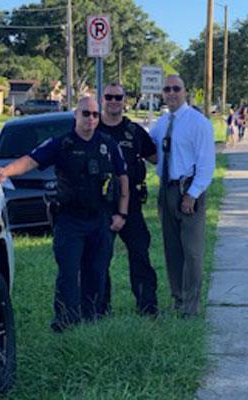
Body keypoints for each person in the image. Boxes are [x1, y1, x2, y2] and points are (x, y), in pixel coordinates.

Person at [0, 97, 129, 331]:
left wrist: (121, 214)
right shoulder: (61, 144)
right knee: (68, 272)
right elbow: (31, 161)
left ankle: (93, 318)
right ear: (76, 115)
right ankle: (65, 321)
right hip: (70, 220)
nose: (91, 119)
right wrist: (5, 171)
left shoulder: (108, 144)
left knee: (96, 271)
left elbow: (122, 178)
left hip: (100, 219)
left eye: (95, 115)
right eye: (86, 113)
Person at [150, 75, 215, 317]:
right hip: (166, 190)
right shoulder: (161, 123)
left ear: (185, 91)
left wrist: (192, 194)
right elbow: (151, 150)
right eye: (167, 89)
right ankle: (178, 299)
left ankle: (191, 307)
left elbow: (207, 163)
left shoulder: (198, 123)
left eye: (176, 88)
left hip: (188, 191)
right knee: (172, 250)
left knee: (192, 252)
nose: (171, 93)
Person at [98, 82, 159, 316]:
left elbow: (154, 157)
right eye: (109, 96)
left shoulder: (133, 132)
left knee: (140, 253)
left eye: (118, 97)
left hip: (131, 204)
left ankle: (147, 305)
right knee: (100, 256)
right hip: (101, 204)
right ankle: (100, 308)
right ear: (103, 99)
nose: (114, 101)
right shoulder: (94, 127)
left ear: (125, 101)